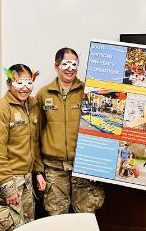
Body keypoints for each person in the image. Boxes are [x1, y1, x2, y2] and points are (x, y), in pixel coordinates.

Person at [36, 48, 104, 215]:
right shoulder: (43, 94)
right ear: (56, 65)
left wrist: (99, 166)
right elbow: (35, 134)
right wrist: (38, 169)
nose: (70, 68)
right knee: (56, 217)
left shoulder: (89, 92)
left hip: (83, 166)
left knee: (85, 216)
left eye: (74, 64)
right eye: (65, 64)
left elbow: (101, 129)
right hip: (53, 168)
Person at [0, 64, 46, 230]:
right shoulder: (2, 108)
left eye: (29, 82)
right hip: (8, 181)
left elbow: (34, 143)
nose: (25, 87)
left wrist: (37, 172)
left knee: (27, 227)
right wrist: (7, 186)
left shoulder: (32, 107)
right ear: (9, 83)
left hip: (27, 182)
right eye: (19, 83)